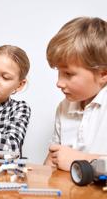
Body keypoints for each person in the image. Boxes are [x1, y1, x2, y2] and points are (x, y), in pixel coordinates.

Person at [44, 17, 107, 171]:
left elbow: (70, 159)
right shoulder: (63, 107)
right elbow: (52, 161)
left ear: (103, 74)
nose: (59, 83)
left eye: (68, 73)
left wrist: (81, 160)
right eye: (58, 72)